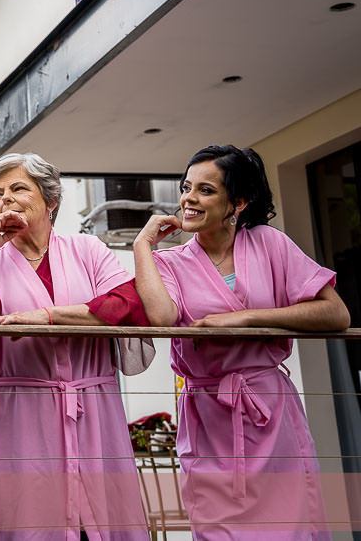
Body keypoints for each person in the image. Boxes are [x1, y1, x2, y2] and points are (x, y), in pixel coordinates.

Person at [133, 145, 349, 539]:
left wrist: (246, 318)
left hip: (270, 410)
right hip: (208, 416)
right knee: (219, 529)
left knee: (292, 526)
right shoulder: (169, 262)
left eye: (206, 190)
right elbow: (162, 317)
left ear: (238, 202)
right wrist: (142, 246)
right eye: (186, 187)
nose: (189, 199)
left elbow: (335, 313)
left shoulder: (270, 243)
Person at [0, 152, 150, 540]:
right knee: (24, 522)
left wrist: (47, 317)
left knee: (100, 523)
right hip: (15, 416)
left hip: (91, 409)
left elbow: (128, 305)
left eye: (18, 188)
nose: (4, 198)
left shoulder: (87, 250)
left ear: (50, 201)